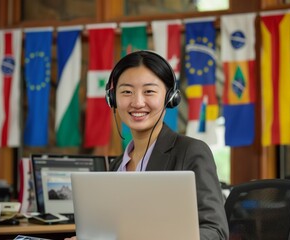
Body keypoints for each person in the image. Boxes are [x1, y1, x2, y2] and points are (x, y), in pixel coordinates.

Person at [65, 50, 228, 240]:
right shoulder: (117, 165)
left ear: (170, 97)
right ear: (112, 98)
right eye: (126, 92)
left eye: (149, 91)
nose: (137, 102)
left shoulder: (190, 152)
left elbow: (216, 232)